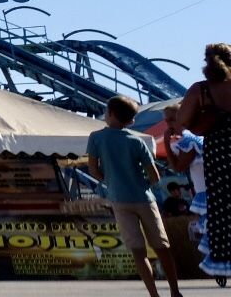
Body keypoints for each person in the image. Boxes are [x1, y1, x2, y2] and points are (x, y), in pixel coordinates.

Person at [88, 95, 183, 297]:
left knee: (138, 252)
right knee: (161, 248)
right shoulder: (136, 141)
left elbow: (93, 170)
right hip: (144, 198)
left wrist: (110, 182)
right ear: (131, 120)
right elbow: (154, 176)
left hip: (119, 200)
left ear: (110, 113)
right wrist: (141, 184)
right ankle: (175, 291)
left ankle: (154, 294)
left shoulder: (96, 138)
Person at [172, 42, 231, 278]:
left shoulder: (201, 90)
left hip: (219, 155)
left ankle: (224, 259)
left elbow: (181, 123)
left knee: (221, 207)